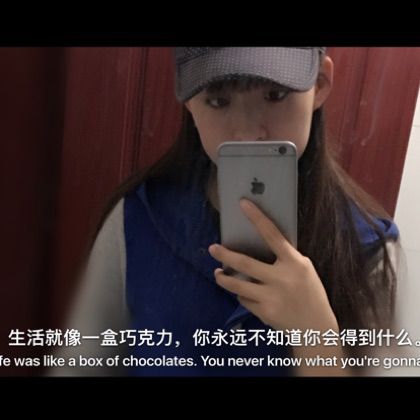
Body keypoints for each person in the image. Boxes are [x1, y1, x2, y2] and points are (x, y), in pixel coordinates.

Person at [51, 47, 400, 376]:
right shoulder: (137, 222)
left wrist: (317, 337)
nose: (248, 133)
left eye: (275, 94)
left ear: (319, 84)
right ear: (189, 101)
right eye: (218, 100)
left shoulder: (367, 249)